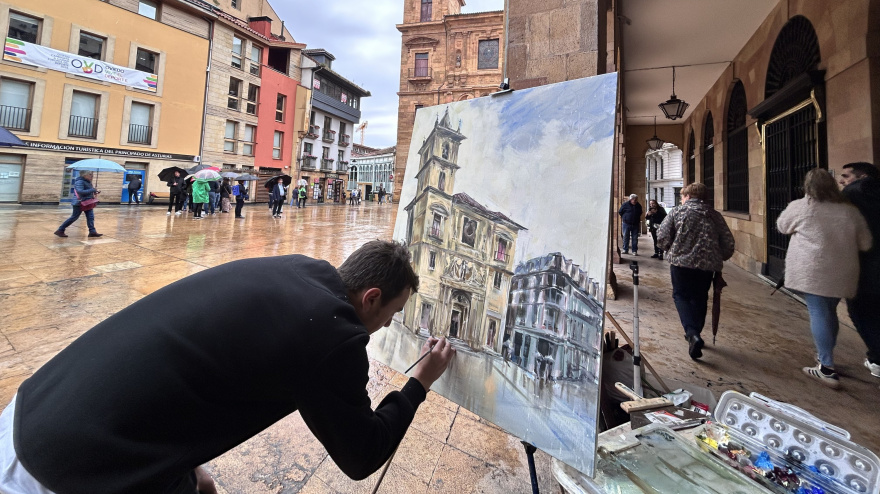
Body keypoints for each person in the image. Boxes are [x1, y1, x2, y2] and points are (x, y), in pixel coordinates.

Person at [0, 241, 455, 493]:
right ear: (370, 297)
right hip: (65, 474)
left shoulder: (299, 269)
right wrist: (420, 381)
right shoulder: (331, 335)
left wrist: (184, 463)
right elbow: (362, 454)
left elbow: (193, 366)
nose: (384, 327)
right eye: (390, 316)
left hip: (30, 413)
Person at [777, 169, 872, 387]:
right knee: (829, 313)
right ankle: (824, 356)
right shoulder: (849, 211)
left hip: (813, 272)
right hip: (842, 272)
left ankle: (827, 367)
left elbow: (782, 226)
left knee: (819, 313)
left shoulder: (802, 206)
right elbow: (865, 243)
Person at [657, 183, 735, 360]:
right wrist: (717, 257)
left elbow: (662, 236)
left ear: (688, 197)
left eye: (683, 196)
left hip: (681, 264)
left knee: (681, 296)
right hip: (707, 267)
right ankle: (696, 334)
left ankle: (692, 334)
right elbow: (728, 243)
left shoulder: (678, 212)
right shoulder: (714, 215)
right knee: (700, 298)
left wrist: (670, 249)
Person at [838, 161, 880, 379]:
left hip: (864, 268)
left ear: (861, 177)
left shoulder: (852, 196)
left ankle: (877, 359)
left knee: (861, 312)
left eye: (846, 176)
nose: (842, 181)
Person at [54, 171, 102, 238]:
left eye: (92, 174)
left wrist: (95, 191)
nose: (92, 176)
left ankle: (92, 232)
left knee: (90, 217)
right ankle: (60, 230)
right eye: (90, 174)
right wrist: (92, 190)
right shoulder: (80, 181)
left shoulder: (88, 182)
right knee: (74, 217)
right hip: (79, 203)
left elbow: (88, 191)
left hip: (88, 202)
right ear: (84, 175)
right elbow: (80, 191)